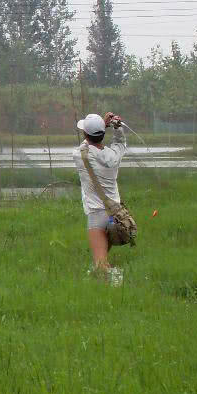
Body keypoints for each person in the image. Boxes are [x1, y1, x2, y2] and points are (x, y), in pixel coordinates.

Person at [72, 112, 126, 281]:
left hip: (96, 215)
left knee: (100, 264)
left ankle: (117, 285)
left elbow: (85, 144)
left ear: (85, 134)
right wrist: (116, 128)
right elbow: (120, 143)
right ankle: (100, 284)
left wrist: (102, 123)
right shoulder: (113, 156)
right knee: (101, 261)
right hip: (115, 213)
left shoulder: (80, 155)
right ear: (102, 134)